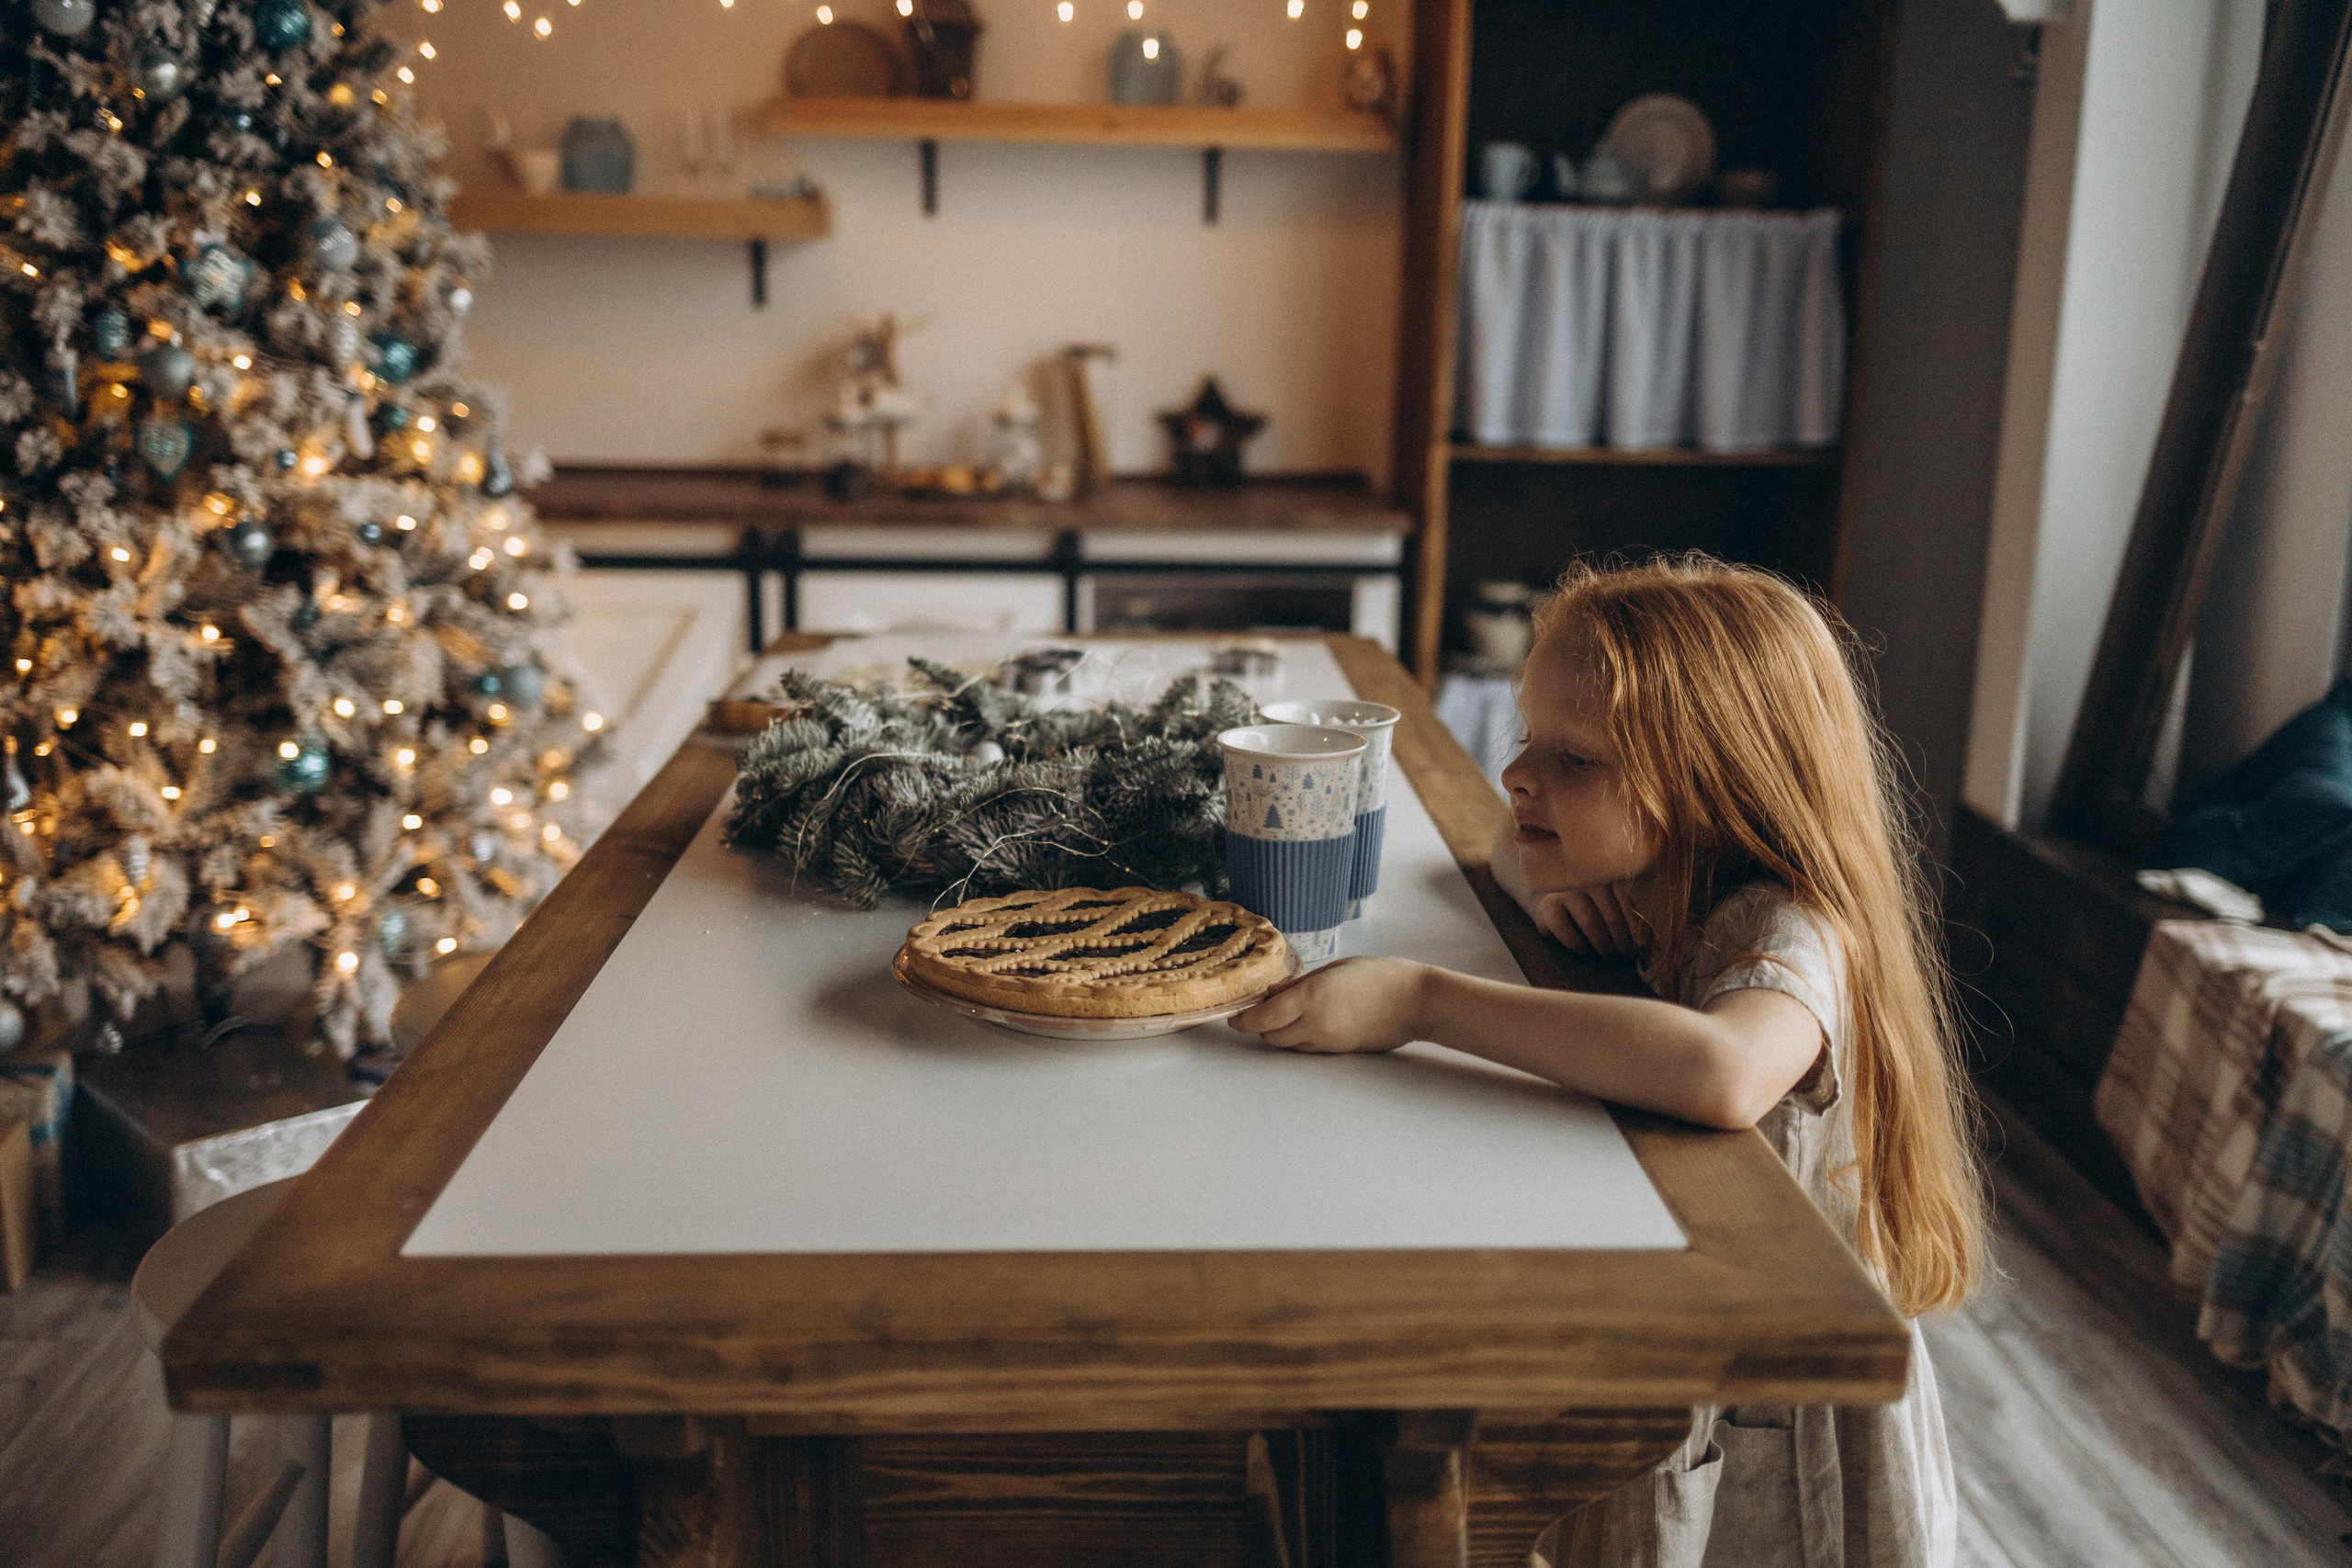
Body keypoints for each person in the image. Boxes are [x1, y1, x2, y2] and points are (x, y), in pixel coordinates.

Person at [1233, 556, 1983, 1568]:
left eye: (1576, 760)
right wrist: (1550, 891)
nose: (1518, 775)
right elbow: (1502, 841)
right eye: (1526, 739)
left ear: (1720, 783)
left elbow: (1725, 1071)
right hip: (1678, 1331)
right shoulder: (1657, 865)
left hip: (1779, 1408)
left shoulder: (1790, 925)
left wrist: (1420, 1001)